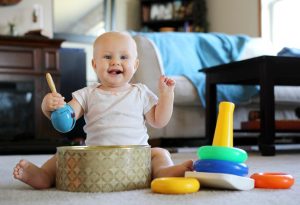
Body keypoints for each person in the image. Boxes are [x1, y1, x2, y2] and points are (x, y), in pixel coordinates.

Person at [13, 31, 193, 189]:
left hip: (136, 157)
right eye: (107, 57)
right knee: (64, 155)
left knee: (160, 153)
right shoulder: (86, 94)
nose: (115, 62)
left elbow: (159, 121)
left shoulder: (141, 92)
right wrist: (49, 106)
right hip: (97, 159)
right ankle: (45, 175)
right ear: (94, 64)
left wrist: (167, 95)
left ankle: (163, 171)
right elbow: (65, 122)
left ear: (135, 65)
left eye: (123, 57)